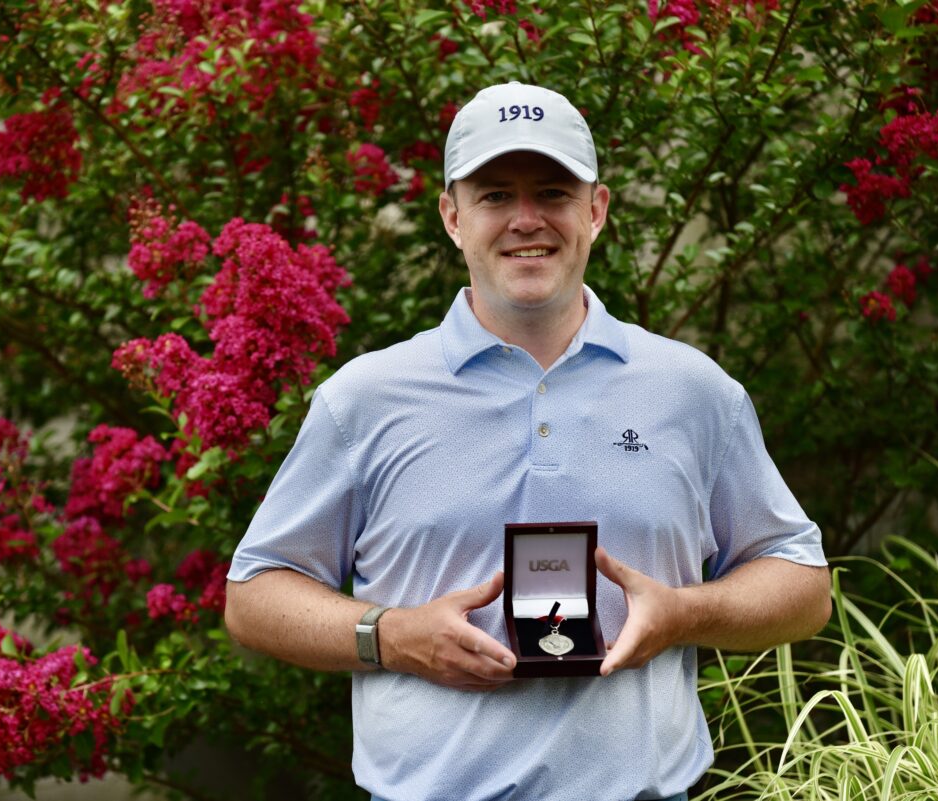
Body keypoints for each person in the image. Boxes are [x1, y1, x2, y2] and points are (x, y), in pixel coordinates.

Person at [224, 82, 831, 801]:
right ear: (452, 217)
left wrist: (686, 614)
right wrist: (390, 635)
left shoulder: (693, 392)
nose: (525, 219)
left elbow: (803, 583)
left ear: (596, 210)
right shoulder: (364, 398)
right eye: (493, 195)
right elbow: (254, 593)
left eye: (552, 191)